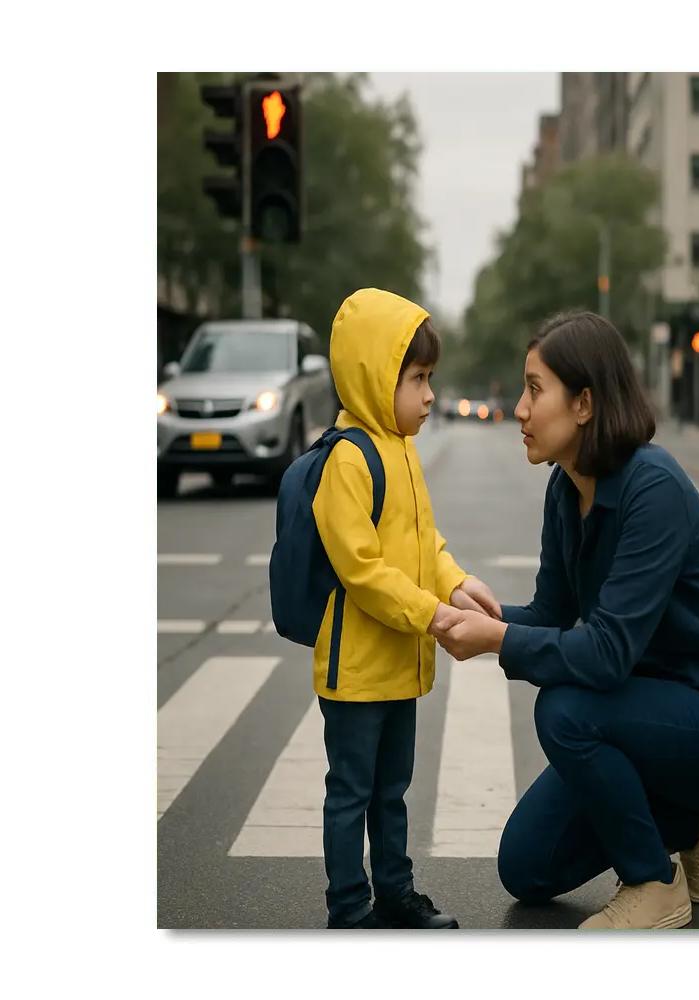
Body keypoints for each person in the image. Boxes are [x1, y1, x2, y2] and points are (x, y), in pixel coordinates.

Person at [435, 311, 699, 930]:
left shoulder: (654, 488)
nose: (519, 409)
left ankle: (653, 882)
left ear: (585, 403)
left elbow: (605, 654)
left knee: (565, 711)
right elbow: (550, 615)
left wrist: (500, 641)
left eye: (535, 390)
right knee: (526, 869)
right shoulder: (567, 487)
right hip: (639, 715)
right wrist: (479, 616)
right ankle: (693, 820)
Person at [313, 288, 502, 929]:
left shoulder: (402, 448)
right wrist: (434, 614)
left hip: (398, 661)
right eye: (417, 379)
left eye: (429, 379)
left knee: (391, 791)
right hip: (357, 667)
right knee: (351, 793)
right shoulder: (349, 457)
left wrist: (455, 585)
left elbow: (424, 546)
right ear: (373, 377)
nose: (428, 395)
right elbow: (362, 569)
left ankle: (394, 892)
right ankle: (349, 909)